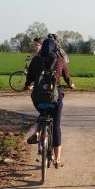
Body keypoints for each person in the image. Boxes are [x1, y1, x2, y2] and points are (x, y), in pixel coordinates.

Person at [24, 37, 74, 167]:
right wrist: (71, 84)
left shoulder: (35, 60)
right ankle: (57, 159)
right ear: (55, 48)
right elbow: (67, 77)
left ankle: (37, 131)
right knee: (56, 126)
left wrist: (27, 86)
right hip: (55, 98)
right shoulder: (60, 61)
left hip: (38, 97)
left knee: (42, 111)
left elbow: (29, 78)